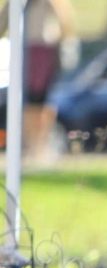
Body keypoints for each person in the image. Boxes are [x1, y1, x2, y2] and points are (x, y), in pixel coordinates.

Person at [0, 0, 76, 159]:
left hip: (44, 50)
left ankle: (40, 146)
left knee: (40, 102)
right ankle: (30, 145)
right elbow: (4, 20)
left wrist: (63, 46)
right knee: (27, 102)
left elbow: (64, 23)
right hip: (23, 49)